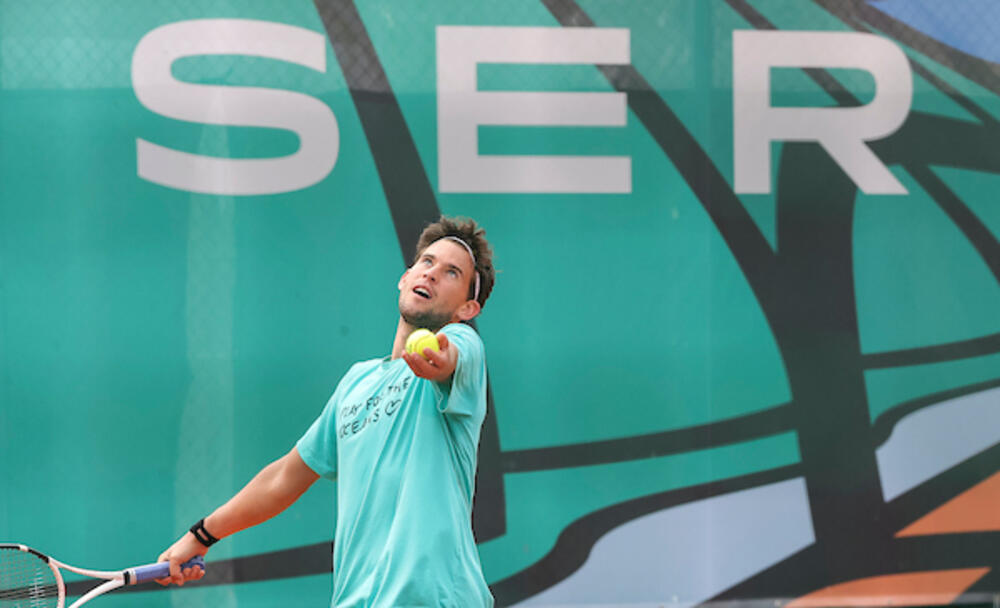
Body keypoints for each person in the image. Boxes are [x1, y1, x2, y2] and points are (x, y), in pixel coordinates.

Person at [156, 216, 497, 607]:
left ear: (467, 308)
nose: (432, 273)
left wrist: (442, 361)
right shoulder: (356, 383)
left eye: (452, 272)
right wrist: (200, 536)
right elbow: (284, 477)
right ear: (405, 279)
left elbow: (454, 353)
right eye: (427, 262)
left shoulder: (464, 347)